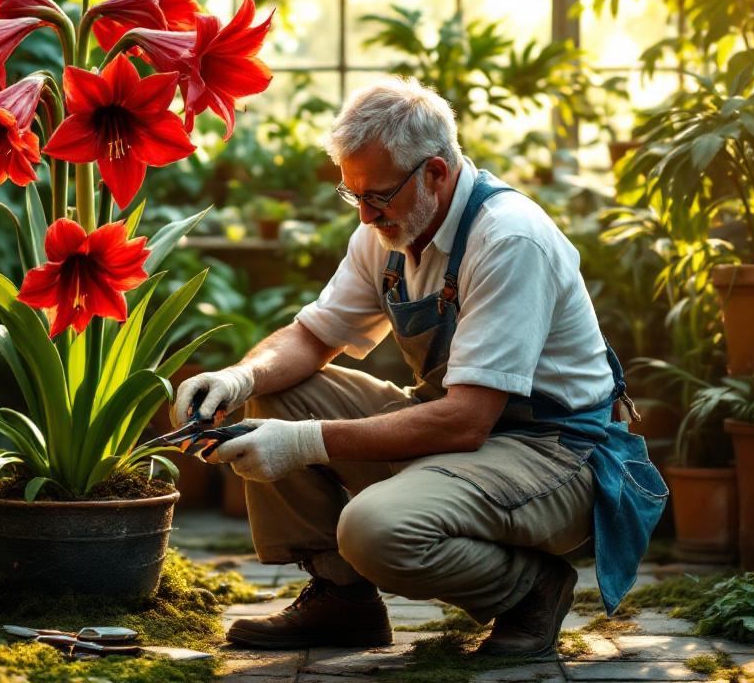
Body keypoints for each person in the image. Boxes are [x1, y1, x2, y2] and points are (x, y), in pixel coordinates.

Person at [175, 77, 667, 658]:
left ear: (435, 172)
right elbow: (312, 336)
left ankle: (531, 589)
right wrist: (238, 379)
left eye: (378, 195)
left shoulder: (509, 238)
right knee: (279, 394)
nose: (363, 214)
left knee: (374, 529)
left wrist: (303, 443)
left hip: (554, 453)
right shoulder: (388, 229)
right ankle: (344, 600)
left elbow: (465, 422)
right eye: (352, 194)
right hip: (463, 430)